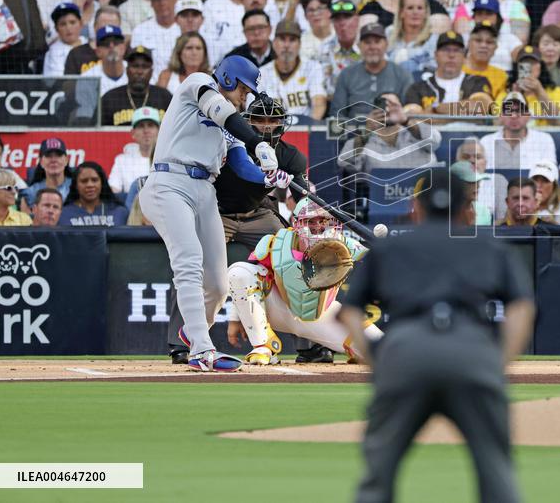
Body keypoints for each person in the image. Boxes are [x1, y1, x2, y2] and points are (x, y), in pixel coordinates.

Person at [340, 171, 534, 503]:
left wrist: (377, 358)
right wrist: (498, 360)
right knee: (495, 469)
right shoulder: (488, 244)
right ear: (467, 209)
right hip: (473, 350)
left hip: (404, 350)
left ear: (416, 207)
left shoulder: (390, 247)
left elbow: (350, 310)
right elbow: (522, 307)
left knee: (379, 472)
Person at [139, 54, 278, 372]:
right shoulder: (198, 83)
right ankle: (202, 349)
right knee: (188, 262)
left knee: (217, 283)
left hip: (204, 190)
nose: (245, 99)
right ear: (228, 79)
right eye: (243, 90)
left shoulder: (230, 130)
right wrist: (258, 142)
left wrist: (271, 175)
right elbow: (224, 113)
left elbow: (243, 164)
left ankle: (191, 330)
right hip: (169, 181)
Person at [226, 196, 382, 364]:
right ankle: (263, 346)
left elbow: (377, 257)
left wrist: (384, 246)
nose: (318, 227)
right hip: (278, 309)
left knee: (383, 352)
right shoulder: (275, 243)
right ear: (296, 223)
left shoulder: (342, 244)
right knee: (239, 271)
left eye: (323, 221)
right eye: (311, 221)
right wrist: (235, 319)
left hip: (320, 316)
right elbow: (242, 280)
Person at [337, 91, 441, 172]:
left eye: (393, 105)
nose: (388, 109)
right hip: (382, 195)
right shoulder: (365, 139)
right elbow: (345, 164)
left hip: (422, 193)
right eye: (383, 104)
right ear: (374, 110)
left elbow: (436, 142)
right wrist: (367, 132)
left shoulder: (416, 131)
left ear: (402, 108)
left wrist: (406, 121)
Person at [330, 23, 414, 118]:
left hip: (392, 129)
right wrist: (363, 126)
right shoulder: (347, 74)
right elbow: (336, 114)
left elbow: (410, 112)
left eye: (377, 42)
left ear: (386, 44)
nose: (372, 47)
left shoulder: (402, 74)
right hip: (355, 130)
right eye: (367, 42)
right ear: (359, 46)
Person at [403, 30, 493, 115]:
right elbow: (413, 120)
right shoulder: (418, 87)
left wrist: (436, 108)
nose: (451, 55)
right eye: (446, 49)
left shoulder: (477, 81)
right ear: (435, 55)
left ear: (464, 57)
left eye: (457, 50)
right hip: (430, 132)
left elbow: (481, 107)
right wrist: (464, 115)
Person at [258, 20, 327, 120]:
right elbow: (254, 112)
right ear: (274, 44)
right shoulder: (261, 74)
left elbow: (319, 104)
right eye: (282, 39)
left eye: (292, 40)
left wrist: (309, 130)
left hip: (304, 130)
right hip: (271, 132)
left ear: (299, 45)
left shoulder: (313, 68)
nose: (286, 45)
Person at [480, 91, 557, 170]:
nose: (513, 116)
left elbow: (551, 175)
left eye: (519, 111)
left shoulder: (544, 140)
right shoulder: (486, 142)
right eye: (508, 111)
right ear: (501, 116)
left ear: (528, 116)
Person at [108, 106, 160, 195]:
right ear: (133, 133)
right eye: (141, 126)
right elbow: (113, 191)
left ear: (159, 131)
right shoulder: (122, 160)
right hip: (131, 207)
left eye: (150, 125)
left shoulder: (168, 160)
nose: (146, 131)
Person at [59, 161, 129, 227]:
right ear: (76, 185)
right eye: (84, 181)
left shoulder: (120, 213)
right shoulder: (63, 214)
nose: (90, 185)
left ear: (102, 183)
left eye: (94, 180)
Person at [21, 138, 73, 208]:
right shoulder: (30, 193)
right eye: (49, 156)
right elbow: (26, 218)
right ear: (41, 162)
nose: (54, 160)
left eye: (58, 155)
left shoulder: (77, 187)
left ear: (66, 160)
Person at [530, 160, 560, 225]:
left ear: (554, 186)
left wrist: (554, 226)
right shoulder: (520, 207)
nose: (539, 185)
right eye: (535, 180)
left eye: (545, 180)